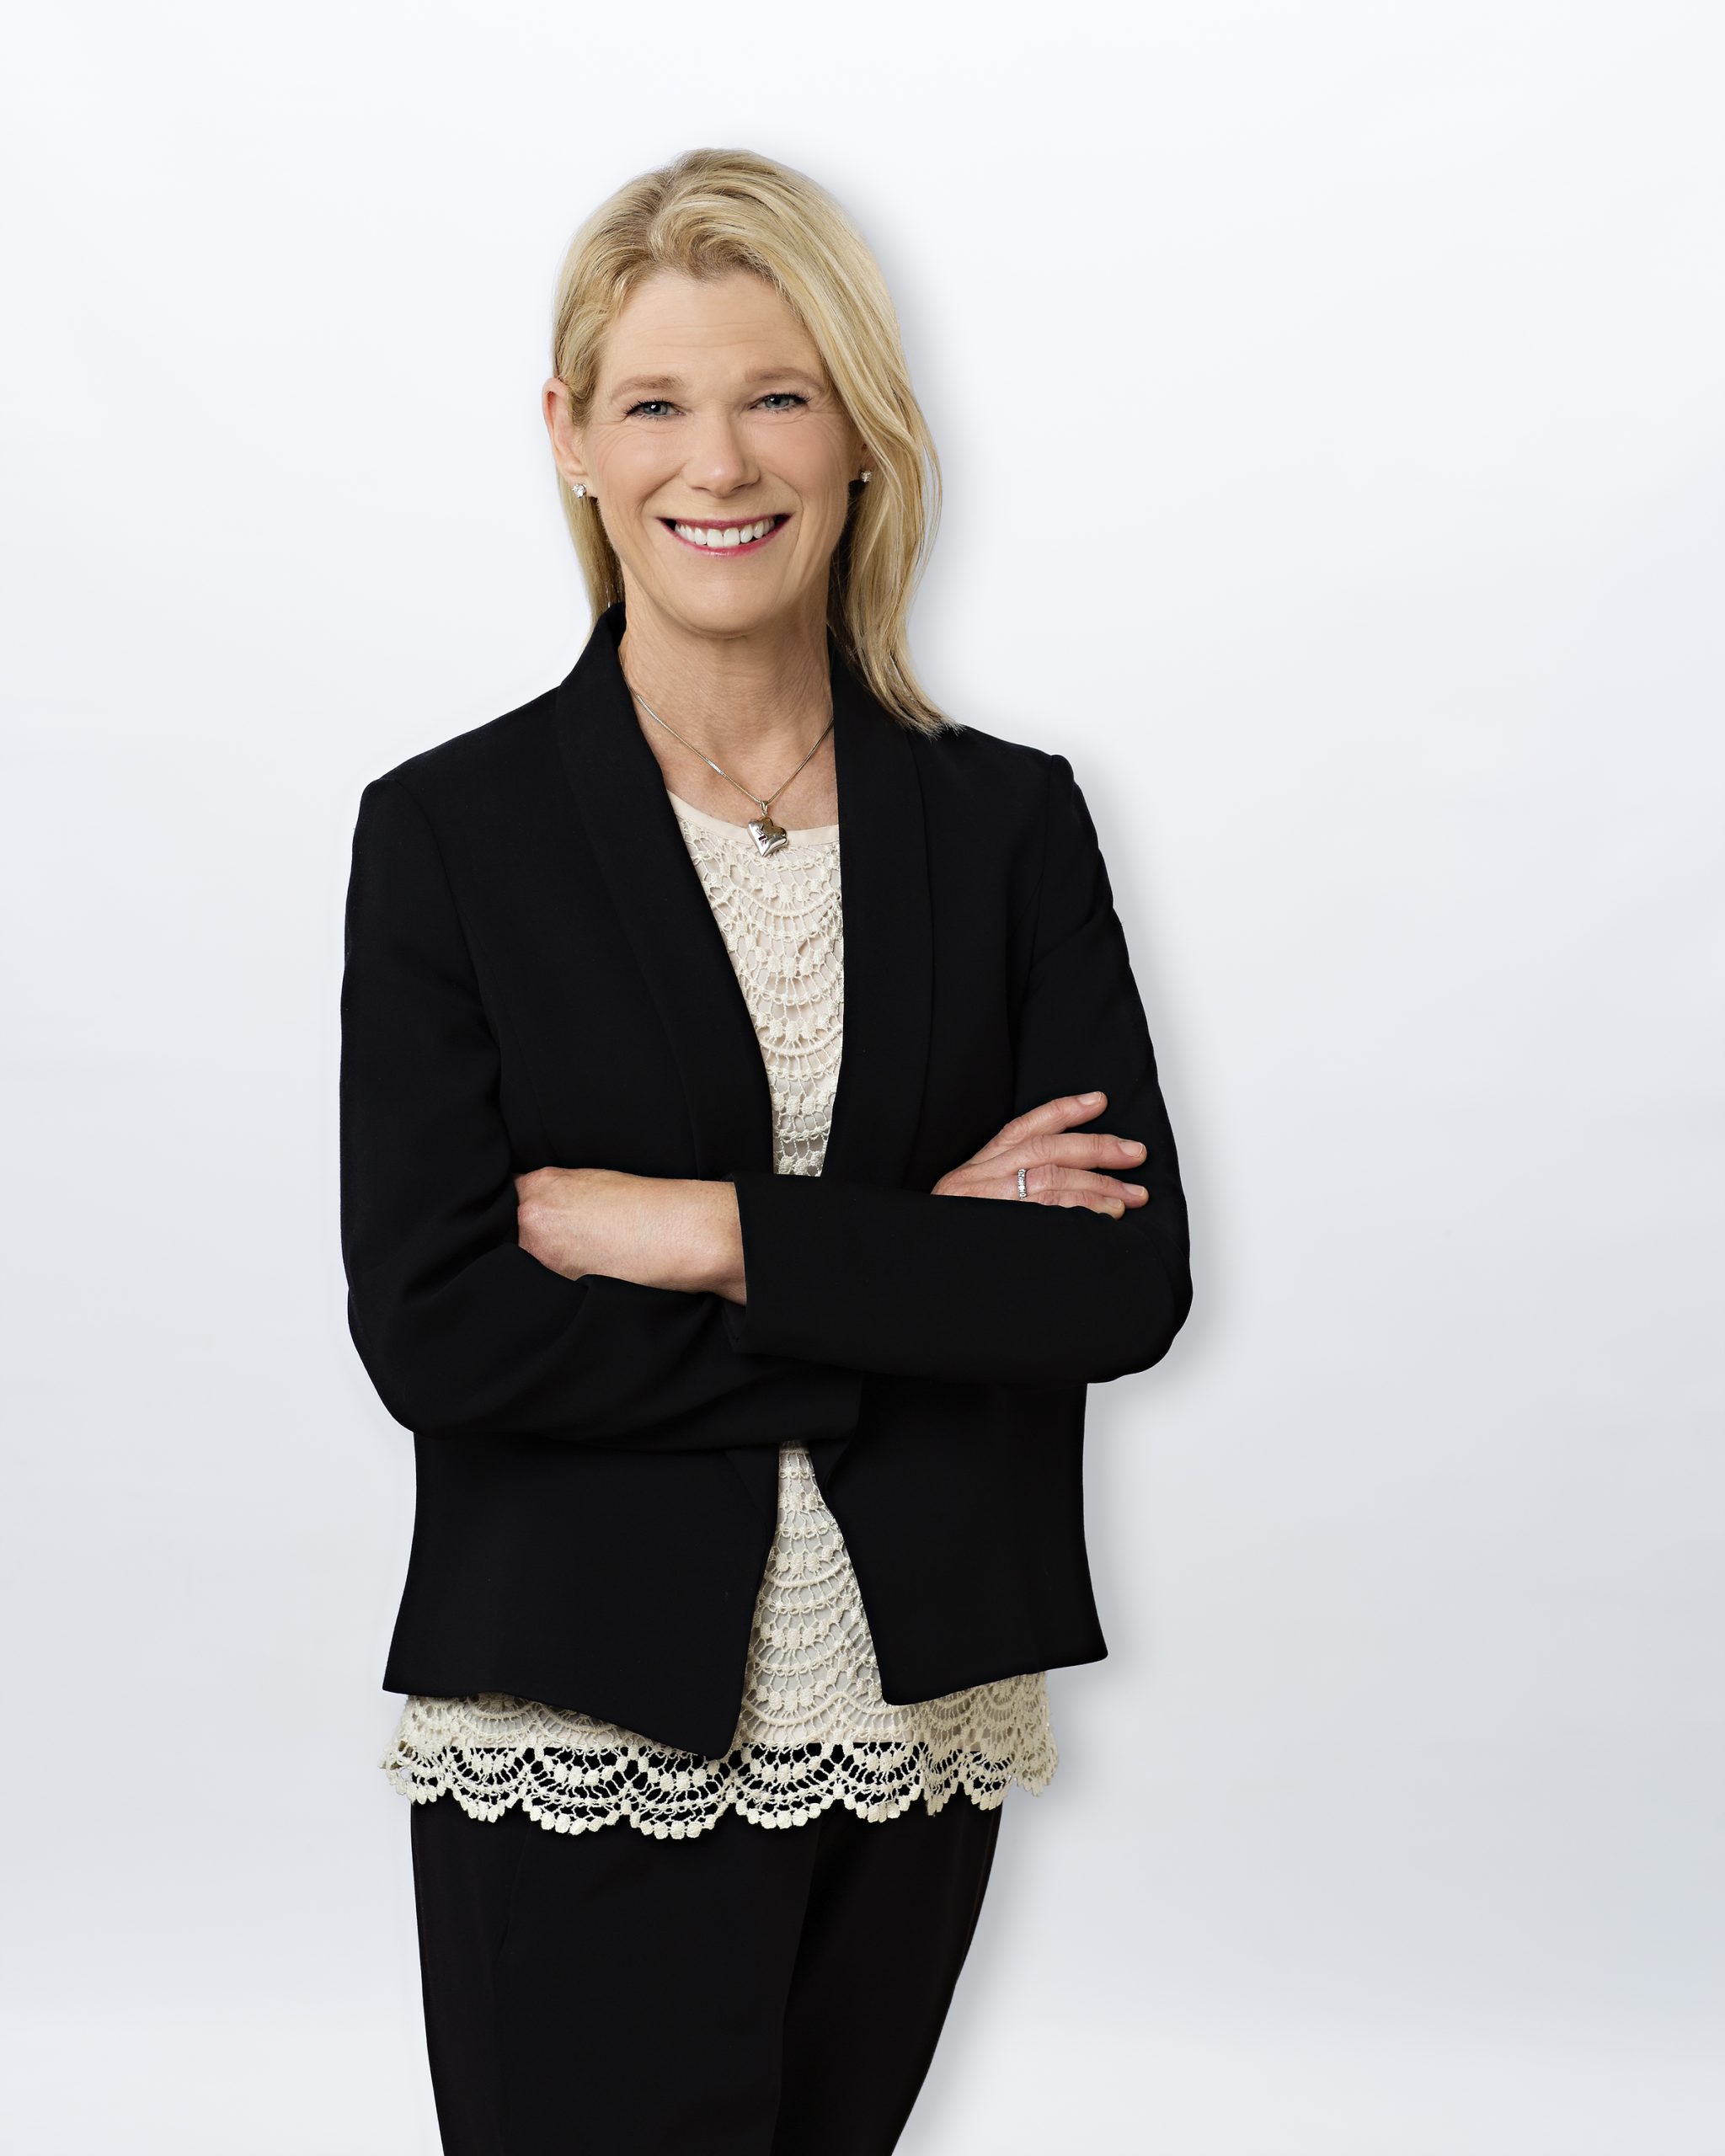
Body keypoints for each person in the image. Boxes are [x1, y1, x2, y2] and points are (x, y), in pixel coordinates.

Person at [339, 146, 1192, 2155]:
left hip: (918, 1706)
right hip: (582, 1697)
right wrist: (909, 1266)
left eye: (776, 394)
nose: (715, 461)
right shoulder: (452, 833)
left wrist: (706, 1229)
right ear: (570, 439)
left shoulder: (1007, 824)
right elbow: (444, 1327)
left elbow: (1114, 1283)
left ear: (861, 432)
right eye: (653, 401)